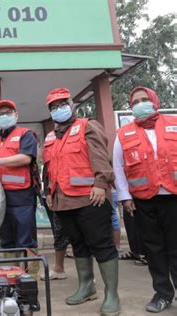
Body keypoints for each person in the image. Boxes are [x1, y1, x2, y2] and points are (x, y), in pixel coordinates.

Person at [42, 87, 119, 316]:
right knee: (78, 244)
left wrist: (100, 184)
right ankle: (86, 287)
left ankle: (111, 295)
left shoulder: (87, 125)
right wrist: (48, 191)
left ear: (72, 104)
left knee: (101, 244)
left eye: (62, 104)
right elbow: (48, 167)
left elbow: (101, 156)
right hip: (63, 200)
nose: (58, 109)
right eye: (53, 107)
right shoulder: (50, 136)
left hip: (90, 198)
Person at [113, 86, 177, 313]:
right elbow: (118, 168)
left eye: (144, 99)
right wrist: (124, 197)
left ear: (154, 101)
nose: (140, 104)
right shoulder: (124, 133)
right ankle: (163, 293)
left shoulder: (174, 123)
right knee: (154, 249)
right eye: (135, 102)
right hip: (143, 200)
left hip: (173, 197)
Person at [0, 99, 39, 259]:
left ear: (16, 115)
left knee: (26, 240)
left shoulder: (25, 135)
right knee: (6, 239)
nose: (4, 116)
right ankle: (12, 275)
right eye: (0, 114)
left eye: (8, 113)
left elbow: (26, 158)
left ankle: (29, 279)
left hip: (21, 196)